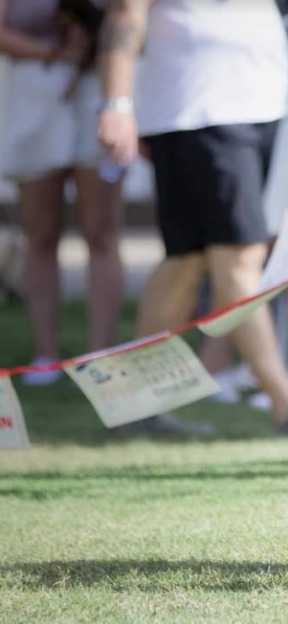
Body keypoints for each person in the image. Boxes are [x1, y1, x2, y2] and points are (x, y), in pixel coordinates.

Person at [96, 0, 288, 436]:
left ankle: (135, 406)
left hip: (258, 109)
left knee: (186, 261)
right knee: (241, 258)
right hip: (201, 112)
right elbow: (124, 15)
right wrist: (117, 103)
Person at [0, 0, 123, 386]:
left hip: (97, 93)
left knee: (100, 230)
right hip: (34, 97)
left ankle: (101, 355)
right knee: (41, 231)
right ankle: (44, 356)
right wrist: (56, 52)